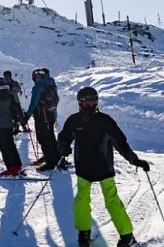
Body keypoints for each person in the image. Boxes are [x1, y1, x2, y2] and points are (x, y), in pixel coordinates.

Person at [57, 87, 149, 247]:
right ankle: (84, 235)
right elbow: (64, 136)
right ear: (80, 103)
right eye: (85, 102)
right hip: (84, 168)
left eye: (92, 102)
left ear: (96, 102)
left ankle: (126, 236)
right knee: (81, 200)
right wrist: (63, 147)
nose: (89, 105)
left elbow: (121, 143)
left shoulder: (105, 121)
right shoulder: (74, 120)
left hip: (103, 167)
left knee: (112, 200)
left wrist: (134, 160)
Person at [24, 68, 60, 171]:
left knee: (43, 138)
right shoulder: (52, 84)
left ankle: (50, 161)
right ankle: (55, 157)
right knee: (50, 136)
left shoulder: (38, 86)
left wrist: (27, 115)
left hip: (42, 116)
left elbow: (33, 103)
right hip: (51, 115)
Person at [0, 77, 24, 176]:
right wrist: (17, 122)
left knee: (4, 147)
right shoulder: (10, 95)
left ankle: (11, 168)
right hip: (9, 124)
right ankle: (18, 165)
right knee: (11, 145)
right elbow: (15, 110)